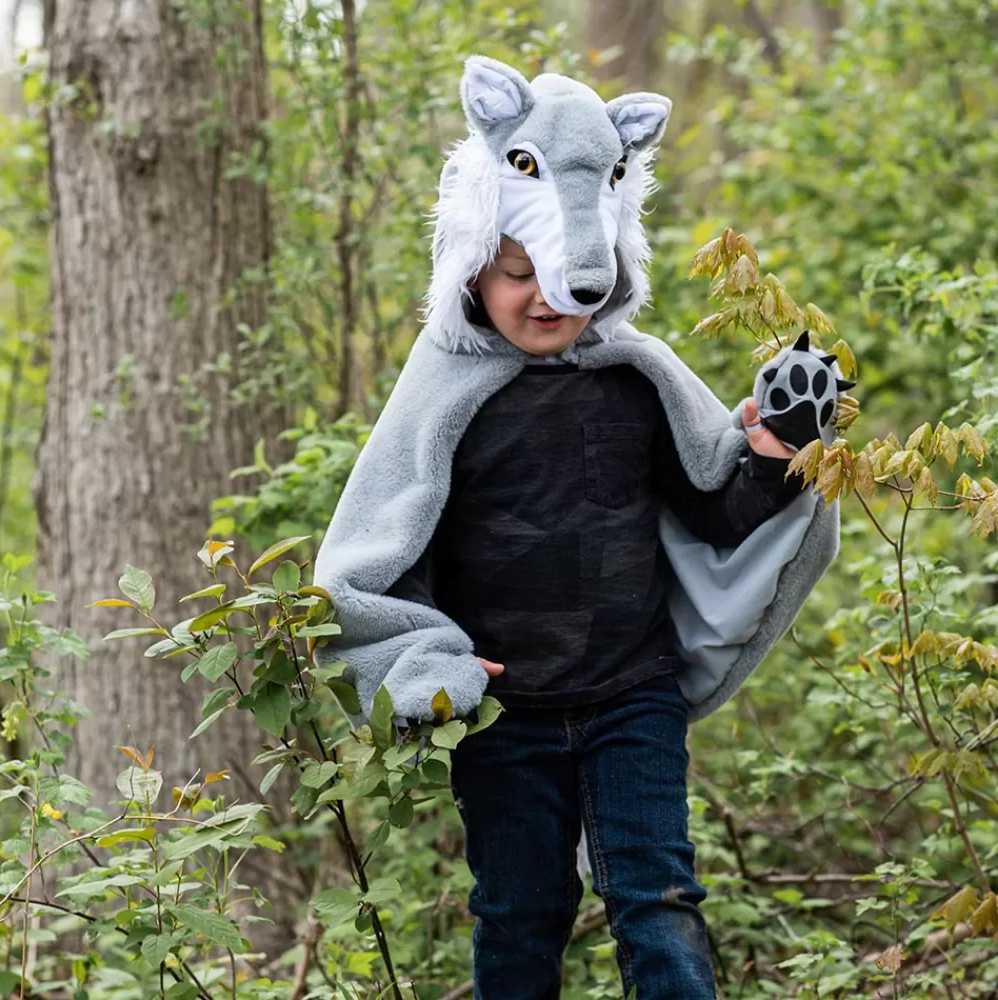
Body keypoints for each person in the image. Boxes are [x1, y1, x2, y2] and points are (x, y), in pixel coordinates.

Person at [313, 55, 844, 1000]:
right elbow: (381, 560)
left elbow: (713, 508)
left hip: (632, 694)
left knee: (659, 897)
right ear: (474, 267)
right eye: (518, 273)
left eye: (559, 272)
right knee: (520, 913)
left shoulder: (635, 376)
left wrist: (770, 451)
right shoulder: (444, 394)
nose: (545, 295)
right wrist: (431, 664)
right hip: (503, 712)